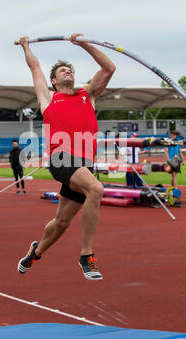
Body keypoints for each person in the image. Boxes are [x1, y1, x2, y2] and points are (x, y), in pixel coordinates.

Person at [16, 33, 116, 280]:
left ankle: (34, 253)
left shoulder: (88, 95)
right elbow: (35, 66)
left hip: (84, 164)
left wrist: (85, 44)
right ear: (54, 79)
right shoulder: (48, 97)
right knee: (96, 189)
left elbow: (109, 67)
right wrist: (26, 46)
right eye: (62, 71)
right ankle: (86, 255)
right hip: (61, 159)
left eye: (70, 70)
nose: (67, 73)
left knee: (61, 222)